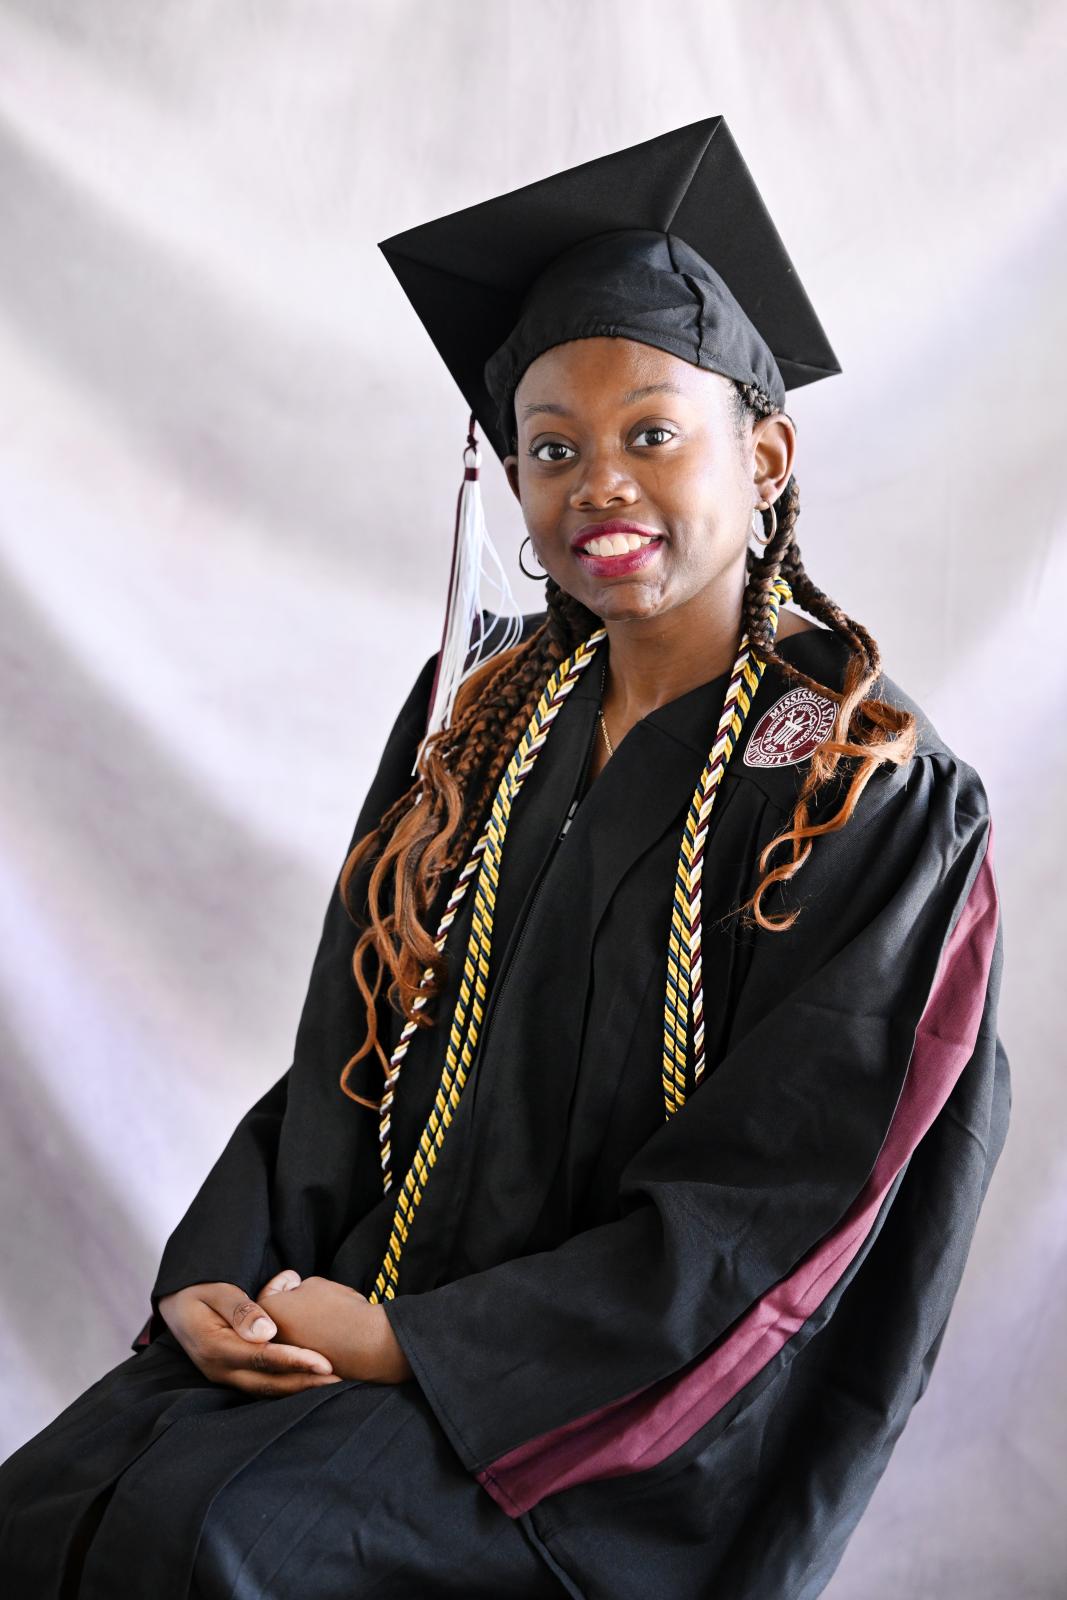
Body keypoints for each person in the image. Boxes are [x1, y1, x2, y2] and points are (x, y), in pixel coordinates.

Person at [0, 115, 1010, 1600]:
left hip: (617, 1430)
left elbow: (775, 1211)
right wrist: (223, 1277)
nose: (597, 482)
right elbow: (347, 1050)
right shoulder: (473, 724)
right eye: (552, 449)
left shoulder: (859, 785)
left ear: (768, 449)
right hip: (355, 1315)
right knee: (53, 1507)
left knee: (217, 1548)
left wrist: (418, 1346)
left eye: (651, 433)